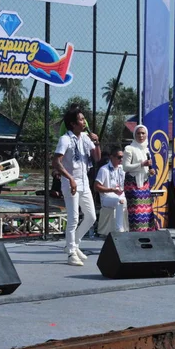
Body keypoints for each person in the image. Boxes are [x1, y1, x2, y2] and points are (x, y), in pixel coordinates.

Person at [52, 108, 101, 266]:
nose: (84, 121)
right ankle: (71, 253)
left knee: (91, 216)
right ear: (73, 124)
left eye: (84, 119)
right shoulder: (65, 139)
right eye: (81, 119)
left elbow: (97, 158)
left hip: (84, 182)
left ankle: (74, 244)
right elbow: (56, 162)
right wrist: (70, 178)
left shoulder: (85, 138)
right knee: (73, 218)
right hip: (70, 182)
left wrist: (96, 142)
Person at [122, 125, 157, 232]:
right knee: (136, 212)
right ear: (134, 135)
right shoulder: (129, 148)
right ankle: (136, 237)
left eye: (143, 133)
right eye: (138, 133)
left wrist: (150, 172)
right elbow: (125, 167)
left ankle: (146, 237)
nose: (141, 135)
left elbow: (146, 169)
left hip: (144, 185)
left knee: (147, 213)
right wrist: (142, 164)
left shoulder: (146, 149)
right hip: (133, 185)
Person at [95, 146, 127, 234]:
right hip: (107, 197)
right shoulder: (104, 169)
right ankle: (119, 230)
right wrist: (112, 190)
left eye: (122, 157)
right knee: (119, 201)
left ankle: (131, 229)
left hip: (121, 195)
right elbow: (96, 187)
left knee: (128, 200)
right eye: (119, 157)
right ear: (111, 157)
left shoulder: (122, 169)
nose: (121, 159)